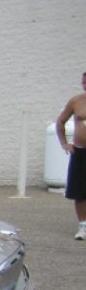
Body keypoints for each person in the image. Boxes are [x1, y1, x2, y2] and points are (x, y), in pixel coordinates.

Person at [56, 71, 86, 240]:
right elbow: (61, 121)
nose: (85, 86)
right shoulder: (76, 101)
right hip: (81, 151)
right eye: (84, 83)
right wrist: (64, 143)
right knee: (80, 191)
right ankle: (83, 226)